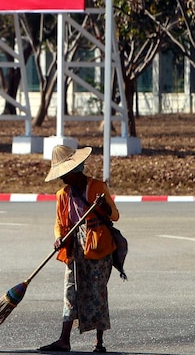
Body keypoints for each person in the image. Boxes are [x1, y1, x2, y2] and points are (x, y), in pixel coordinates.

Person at [38, 145, 120, 354]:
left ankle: (98, 342)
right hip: (74, 247)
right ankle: (64, 340)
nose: (63, 180)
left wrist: (102, 206)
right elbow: (59, 222)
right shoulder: (62, 195)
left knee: (97, 292)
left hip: (98, 247)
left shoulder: (98, 187)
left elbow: (115, 215)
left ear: (76, 170)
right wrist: (58, 238)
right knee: (70, 291)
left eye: (65, 175)